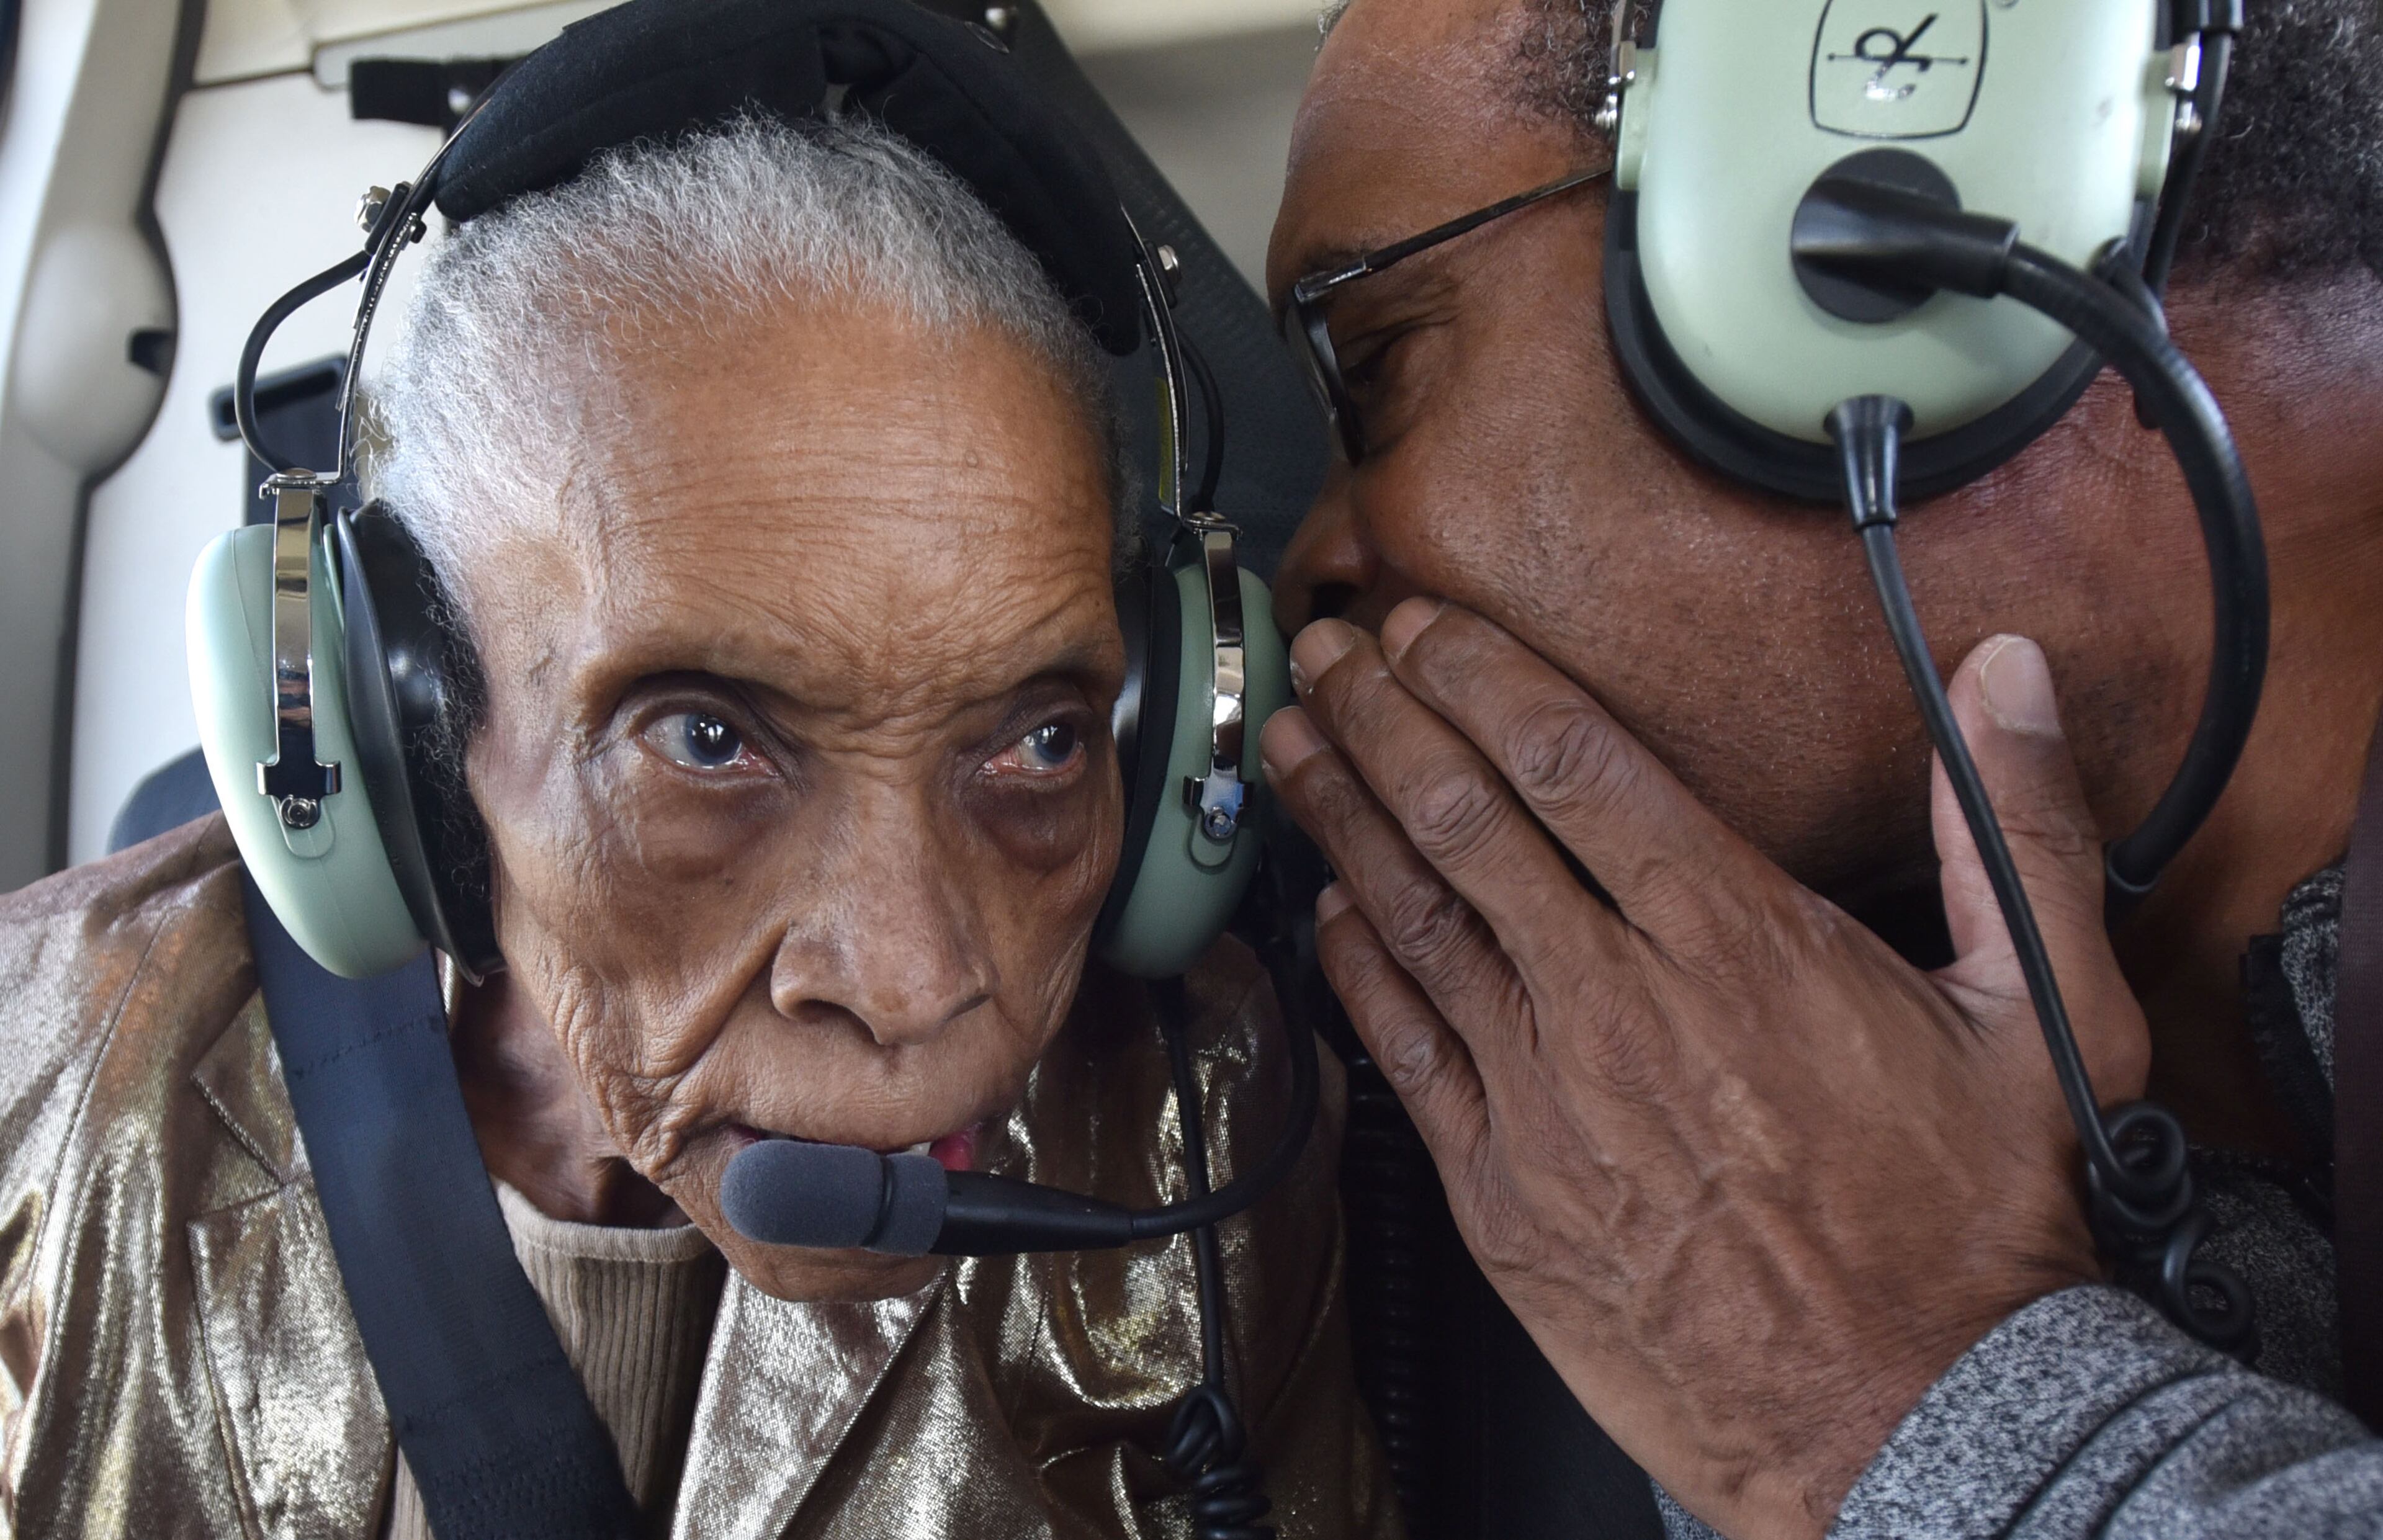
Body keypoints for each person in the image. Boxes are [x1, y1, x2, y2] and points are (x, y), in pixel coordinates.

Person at [0, 114, 1398, 1539]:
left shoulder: (1205, 1125)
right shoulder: (29, 1087)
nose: (914, 982)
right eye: (708, 740)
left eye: (1037, 743)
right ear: (396, 743)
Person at [1259, 0, 2383, 1536]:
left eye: (1371, 361)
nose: (1312, 562)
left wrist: (1905, 1386)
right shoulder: (1705, 1124)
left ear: (1910, 188)